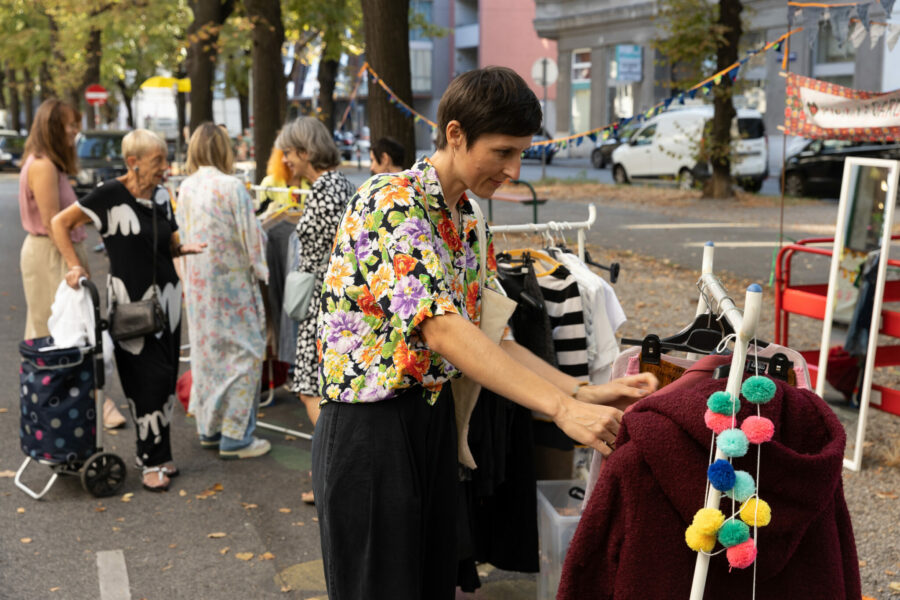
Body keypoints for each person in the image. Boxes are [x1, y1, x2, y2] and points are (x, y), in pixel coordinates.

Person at [312, 66, 658, 599]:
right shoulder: (390, 200)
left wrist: (580, 390)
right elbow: (444, 331)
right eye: (502, 152)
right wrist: (563, 410)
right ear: (455, 134)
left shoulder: (469, 217)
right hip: (369, 433)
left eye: (521, 152)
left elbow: (493, 337)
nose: (514, 169)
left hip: (431, 423)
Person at [51, 129, 205, 492]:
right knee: (145, 382)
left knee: (165, 380)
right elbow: (60, 223)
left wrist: (184, 250)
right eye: (157, 162)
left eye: (166, 160)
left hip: (167, 301)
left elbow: (167, 243)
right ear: (132, 162)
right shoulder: (109, 194)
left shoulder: (163, 196)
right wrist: (76, 266)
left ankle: (161, 454)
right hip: (131, 306)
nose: (165, 168)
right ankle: (149, 461)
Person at [18, 98, 126, 430]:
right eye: (70, 124)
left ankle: (59, 403)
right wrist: (73, 263)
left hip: (50, 251)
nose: (76, 130)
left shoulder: (47, 163)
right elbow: (53, 222)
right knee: (65, 329)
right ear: (53, 127)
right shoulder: (44, 166)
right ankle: (84, 403)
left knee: (57, 327)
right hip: (49, 253)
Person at [175, 123, 271, 459]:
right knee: (245, 354)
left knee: (208, 357)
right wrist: (261, 268)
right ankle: (235, 435)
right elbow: (251, 237)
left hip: (200, 288)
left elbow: (182, 236)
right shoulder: (232, 187)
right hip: (233, 286)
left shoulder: (185, 187)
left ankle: (209, 428)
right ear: (224, 149)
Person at [277, 117, 355, 430]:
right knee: (326, 389)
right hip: (335, 298)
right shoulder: (341, 184)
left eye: (289, 152)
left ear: (306, 152)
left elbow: (316, 248)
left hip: (320, 301)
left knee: (309, 388)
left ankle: (330, 465)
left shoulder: (324, 188)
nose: (285, 160)